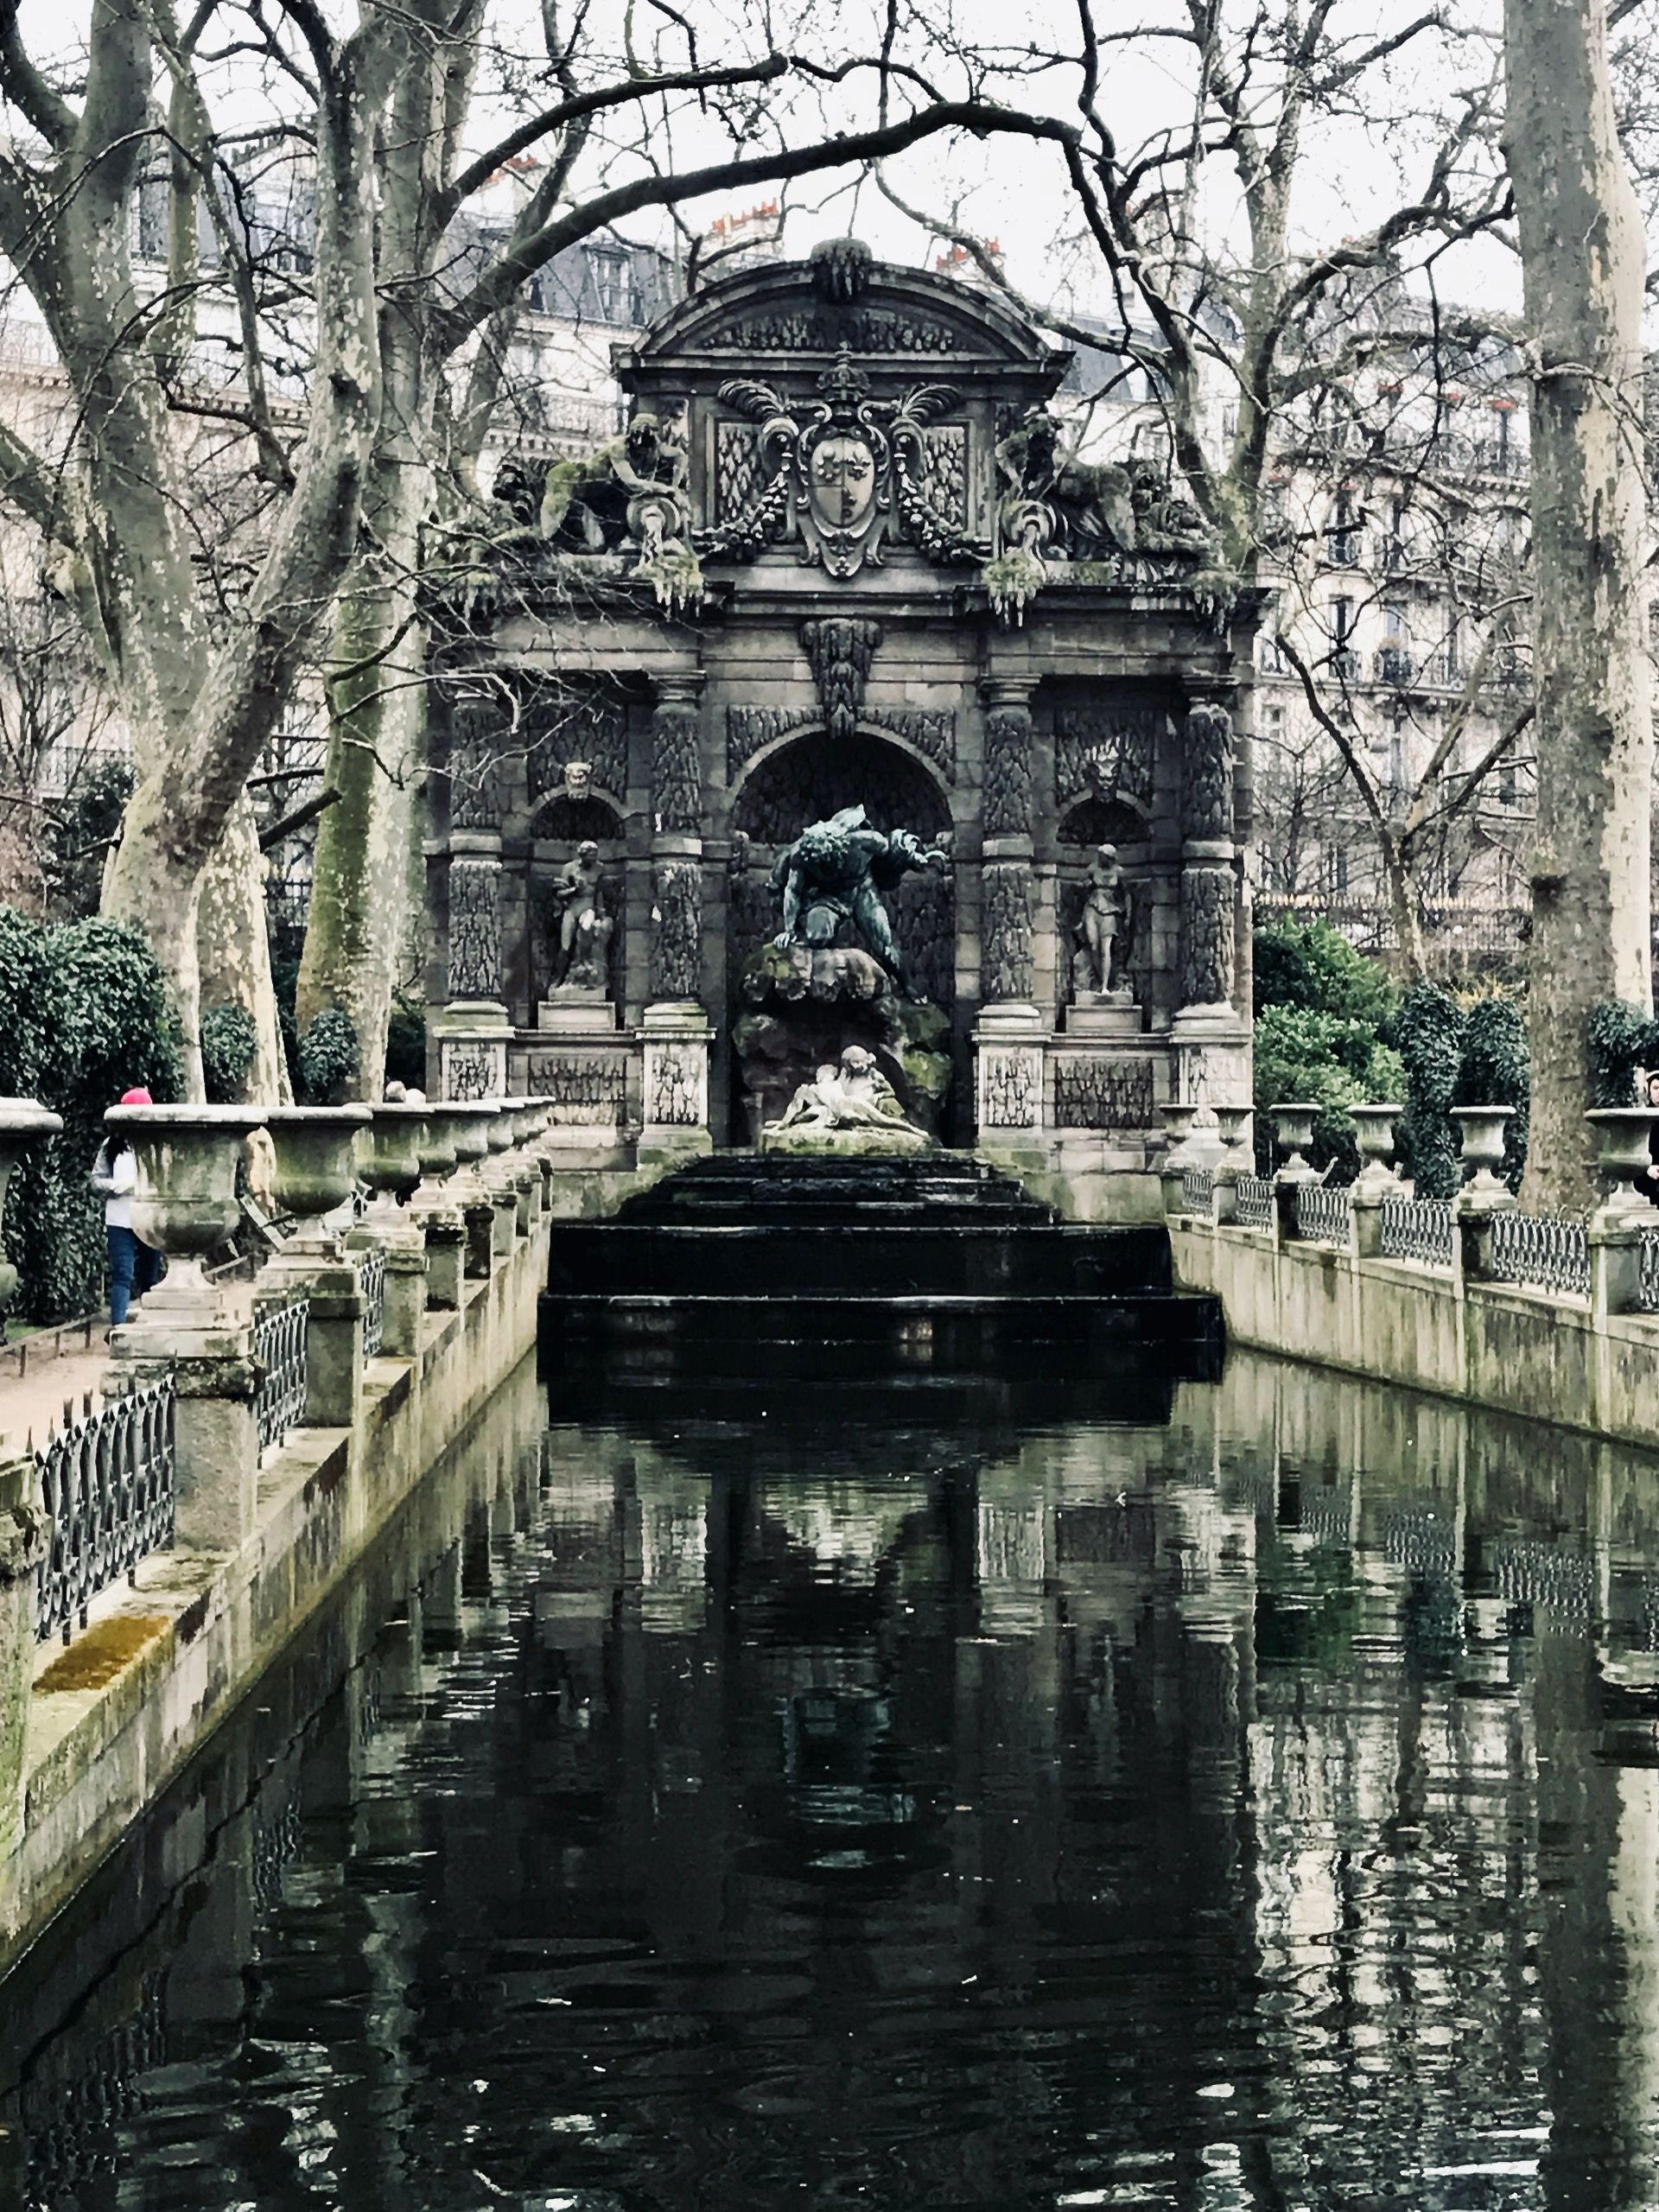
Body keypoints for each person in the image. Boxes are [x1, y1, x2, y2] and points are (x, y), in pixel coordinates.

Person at [92, 1085, 161, 1325]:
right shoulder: (111, 1147)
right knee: (122, 1273)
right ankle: (117, 1327)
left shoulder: (157, 1145)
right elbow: (95, 1180)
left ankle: (150, 1324)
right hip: (119, 1219)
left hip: (149, 1217)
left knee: (149, 1276)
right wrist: (114, 1186)